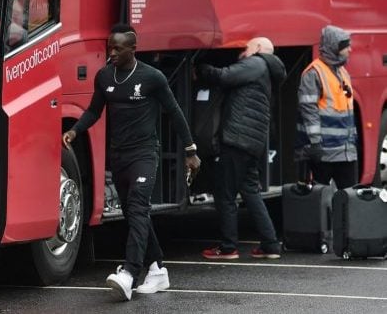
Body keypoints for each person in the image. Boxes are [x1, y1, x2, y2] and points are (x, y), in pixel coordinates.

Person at [62, 24, 201, 301]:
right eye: (109, 47)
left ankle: (128, 273)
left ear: (133, 49)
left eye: (117, 48)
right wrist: (75, 130)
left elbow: (174, 113)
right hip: (119, 155)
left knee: (138, 208)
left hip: (144, 155)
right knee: (134, 214)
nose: (111, 52)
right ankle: (157, 268)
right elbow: (93, 111)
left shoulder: (153, 77)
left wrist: (190, 150)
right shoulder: (104, 77)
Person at [196, 37, 286, 260]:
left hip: (238, 139)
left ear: (257, 49)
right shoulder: (266, 69)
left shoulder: (256, 63)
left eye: (246, 48)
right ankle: (270, 245)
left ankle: (228, 248)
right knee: (251, 192)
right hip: (252, 141)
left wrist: (199, 67)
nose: (242, 52)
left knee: (225, 194)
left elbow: (224, 76)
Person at [295, 25, 357, 189]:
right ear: (334, 47)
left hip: (345, 153)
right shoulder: (314, 73)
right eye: (345, 46)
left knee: (349, 202)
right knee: (320, 204)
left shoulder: (342, 72)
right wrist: (315, 144)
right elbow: (309, 112)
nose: (350, 49)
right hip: (324, 153)